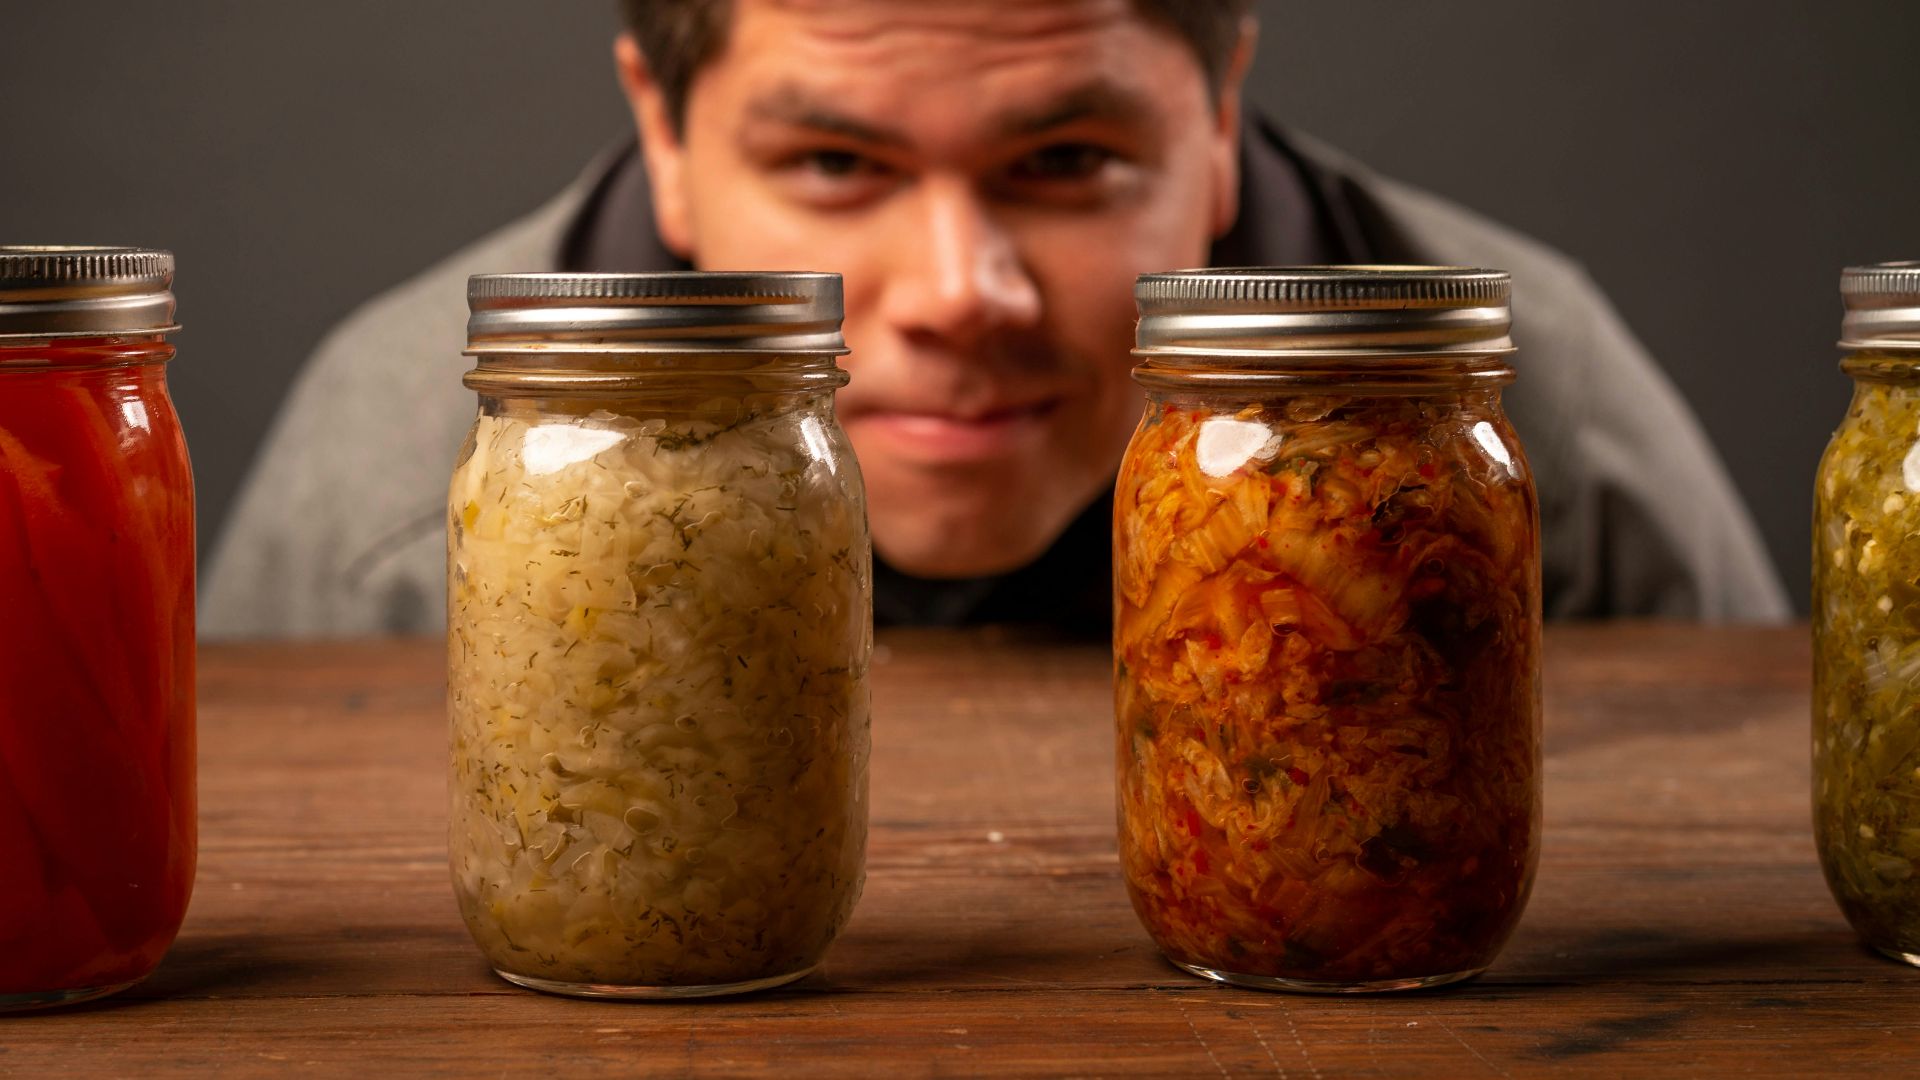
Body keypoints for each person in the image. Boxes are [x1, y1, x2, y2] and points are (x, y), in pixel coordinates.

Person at [202, 0, 1789, 637]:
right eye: (834, 163)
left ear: (1221, 107)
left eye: (1070, 161)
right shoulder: (396, 488)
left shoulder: (1532, 420)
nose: (962, 291)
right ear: (666, 135)